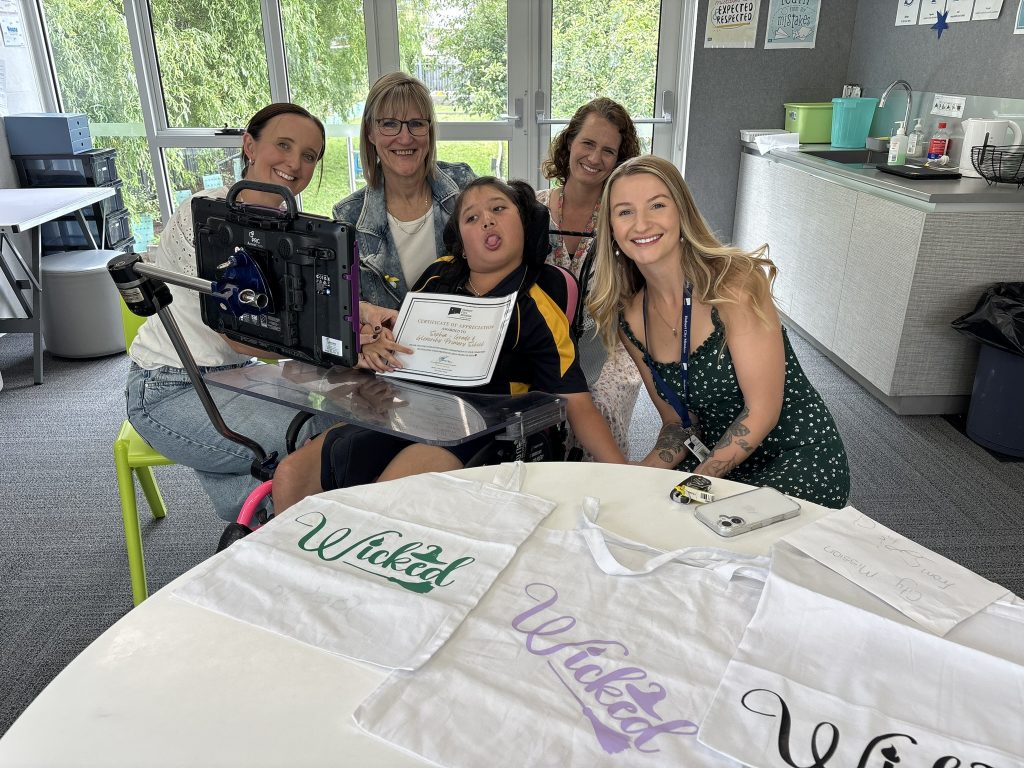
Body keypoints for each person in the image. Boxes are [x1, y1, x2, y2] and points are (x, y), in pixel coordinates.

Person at [272, 177, 627, 512]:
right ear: (460, 242)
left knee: (385, 495)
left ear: (525, 224)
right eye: (472, 217)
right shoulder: (438, 277)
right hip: (405, 409)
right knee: (291, 474)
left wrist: (627, 478)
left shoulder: (537, 306)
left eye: (499, 210)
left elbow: (577, 403)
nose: (487, 220)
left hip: (484, 427)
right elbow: (402, 345)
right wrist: (375, 347)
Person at [588, 156, 850, 508]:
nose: (642, 223)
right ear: (612, 229)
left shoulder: (734, 283)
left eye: (657, 205)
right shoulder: (631, 320)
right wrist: (642, 476)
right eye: (624, 212)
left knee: (708, 538)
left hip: (793, 454)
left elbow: (762, 412)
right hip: (716, 464)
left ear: (681, 212)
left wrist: (696, 483)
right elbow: (680, 423)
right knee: (646, 519)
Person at [126, 103, 335, 521]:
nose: (295, 163)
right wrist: (336, 351)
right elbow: (242, 334)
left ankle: (253, 522)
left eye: (309, 155)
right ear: (249, 145)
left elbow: (310, 310)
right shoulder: (206, 216)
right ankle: (277, 525)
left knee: (331, 420)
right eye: (284, 145)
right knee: (320, 437)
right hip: (170, 386)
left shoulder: (285, 228)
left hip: (236, 377)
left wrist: (356, 322)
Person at [537, 97, 643, 459]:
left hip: (606, 344)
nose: (595, 158)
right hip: (540, 341)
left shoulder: (624, 221)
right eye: (588, 143)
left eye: (608, 151)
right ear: (569, 143)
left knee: (597, 405)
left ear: (619, 161)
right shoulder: (531, 211)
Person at [334, 71, 475, 320]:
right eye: (389, 124)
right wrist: (361, 314)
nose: (405, 137)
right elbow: (342, 305)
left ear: (429, 131)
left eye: (416, 123)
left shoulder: (464, 185)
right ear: (370, 132)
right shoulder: (348, 218)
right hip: (394, 354)